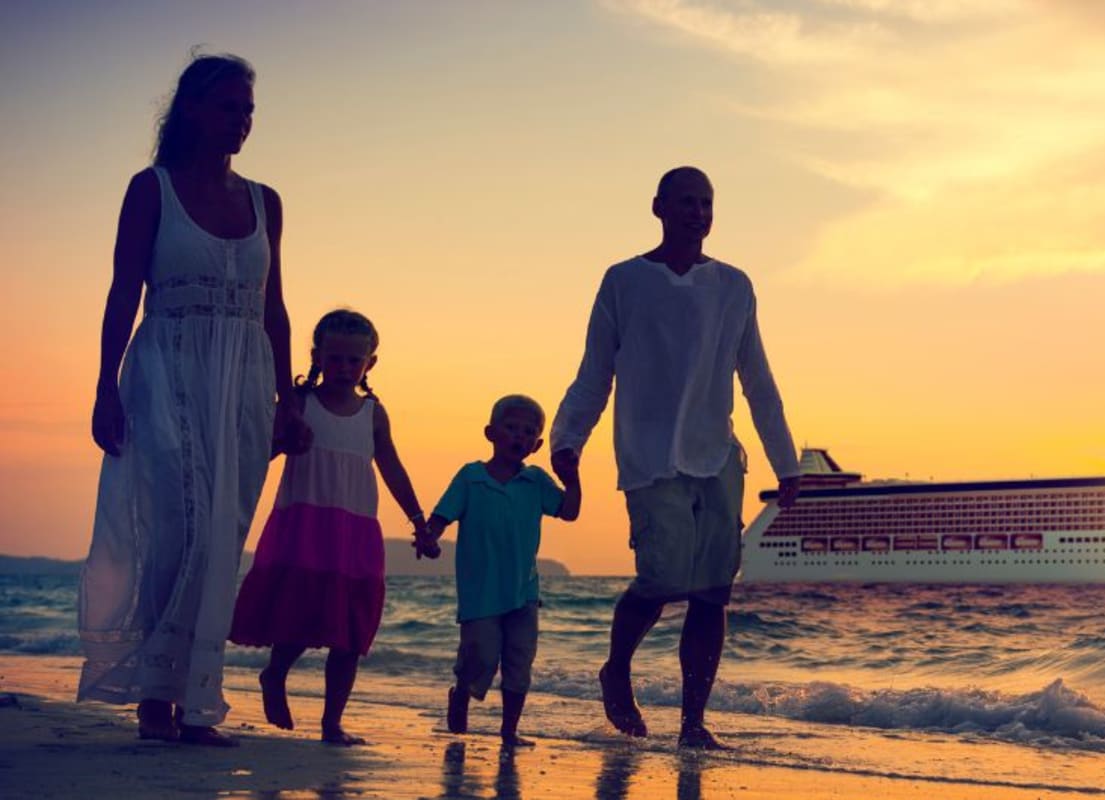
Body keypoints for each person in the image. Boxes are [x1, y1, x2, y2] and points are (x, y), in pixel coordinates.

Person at [79, 52, 309, 746]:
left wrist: (286, 398)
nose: (241, 120)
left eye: (248, 109)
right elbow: (125, 289)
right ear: (189, 111)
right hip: (166, 371)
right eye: (228, 106)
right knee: (177, 528)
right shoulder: (152, 188)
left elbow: (276, 307)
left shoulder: (265, 200)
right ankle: (156, 696)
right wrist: (103, 384)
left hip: (243, 380)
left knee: (220, 538)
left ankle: (197, 701)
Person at [549, 166, 802, 750]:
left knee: (714, 591)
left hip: (717, 459)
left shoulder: (734, 285)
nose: (698, 212)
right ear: (658, 207)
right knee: (661, 579)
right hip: (649, 455)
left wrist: (786, 464)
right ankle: (617, 668)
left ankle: (693, 723)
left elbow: (757, 380)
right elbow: (594, 372)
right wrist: (569, 440)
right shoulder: (623, 281)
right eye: (686, 202)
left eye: (707, 203)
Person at [228, 309, 429, 746]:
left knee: (350, 632)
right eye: (334, 358)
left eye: (353, 361)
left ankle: (331, 722)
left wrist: (418, 519)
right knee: (298, 617)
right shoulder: (300, 404)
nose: (343, 368)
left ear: (370, 364)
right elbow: (261, 451)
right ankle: (275, 674)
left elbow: (391, 465)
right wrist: (283, 440)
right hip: (304, 525)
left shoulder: (373, 413)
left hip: (355, 532)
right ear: (316, 356)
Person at [418, 395, 581, 748]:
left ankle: (509, 731)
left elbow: (568, 512)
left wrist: (573, 480)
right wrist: (429, 537)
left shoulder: (536, 481)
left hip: (524, 592)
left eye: (528, 432)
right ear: (491, 433)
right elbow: (441, 515)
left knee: (519, 663)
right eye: (511, 429)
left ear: (537, 444)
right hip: (480, 593)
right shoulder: (472, 477)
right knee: (480, 658)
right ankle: (461, 693)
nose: (518, 437)